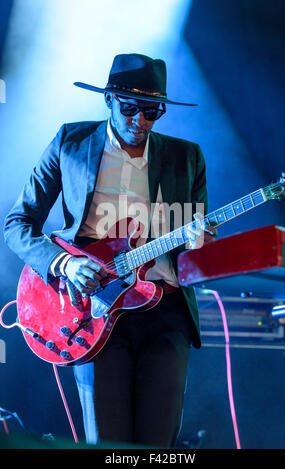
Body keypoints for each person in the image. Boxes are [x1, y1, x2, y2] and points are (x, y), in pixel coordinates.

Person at [4, 53, 215, 448]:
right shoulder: (71, 141)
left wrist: (199, 241)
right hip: (92, 310)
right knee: (109, 444)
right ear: (109, 100)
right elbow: (17, 224)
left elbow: (193, 250)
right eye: (130, 108)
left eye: (153, 111)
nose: (141, 121)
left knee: (158, 446)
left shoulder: (186, 157)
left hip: (164, 312)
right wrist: (64, 264)